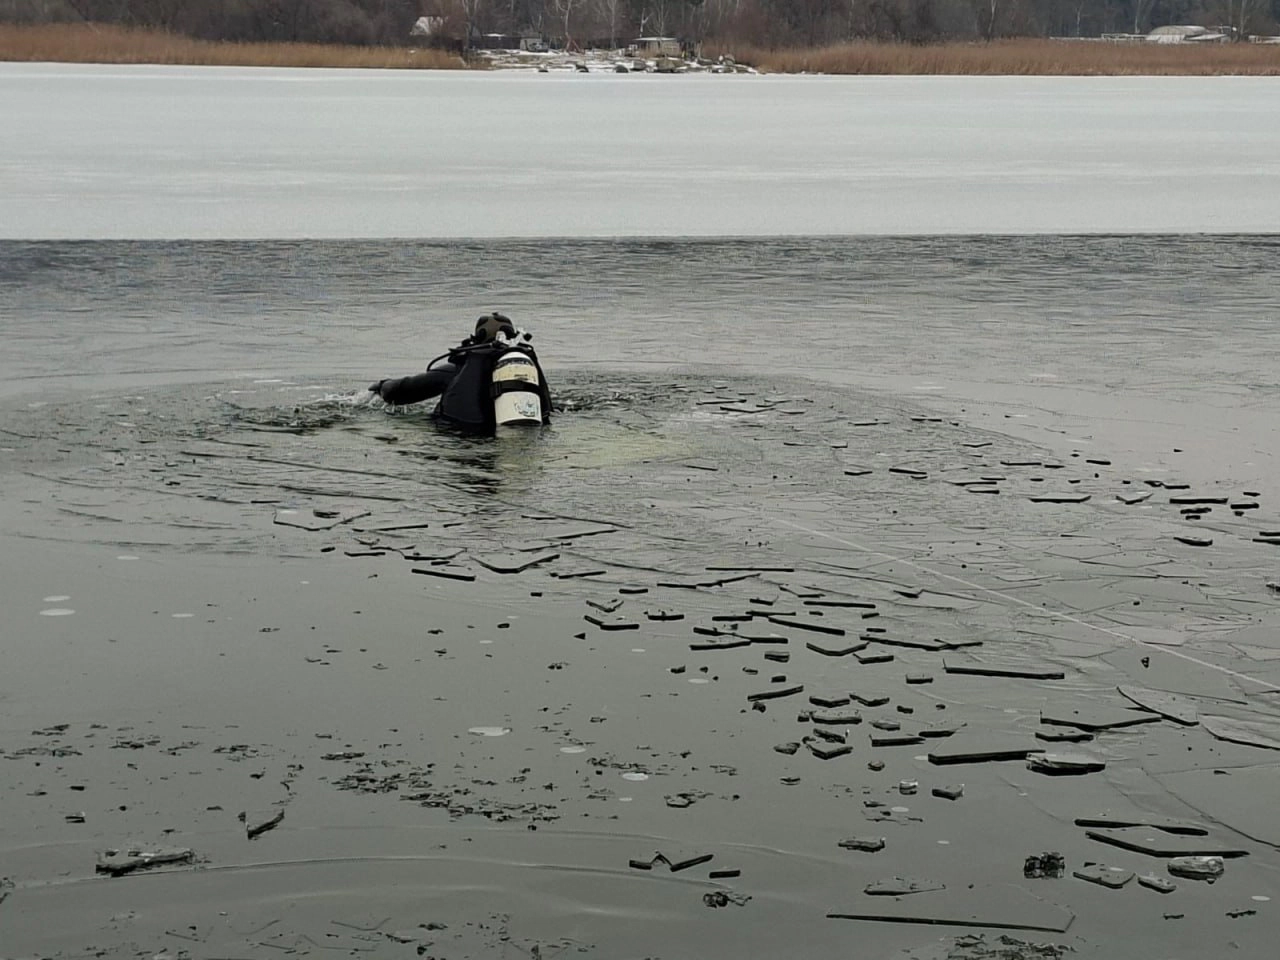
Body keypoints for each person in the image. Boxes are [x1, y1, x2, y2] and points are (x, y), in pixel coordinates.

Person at [369, 313, 552, 432]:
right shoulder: (526, 371)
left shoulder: (457, 371)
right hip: (520, 436)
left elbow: (401, 391)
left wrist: (382, 385)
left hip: (460, 436)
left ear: (476, 338)